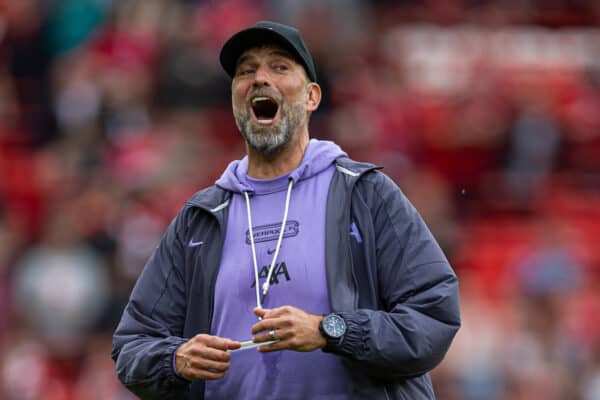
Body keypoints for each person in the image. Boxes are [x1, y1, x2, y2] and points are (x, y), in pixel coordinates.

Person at [112, 21, 461, 400]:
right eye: (246, 71)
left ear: (311, 96)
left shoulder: (365, 195)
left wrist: (331, 330)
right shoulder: (200, 218)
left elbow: (433, 316)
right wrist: (175, 359)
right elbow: (133, 343)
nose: (260, 78)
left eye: (279, 67)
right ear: (234, 99)